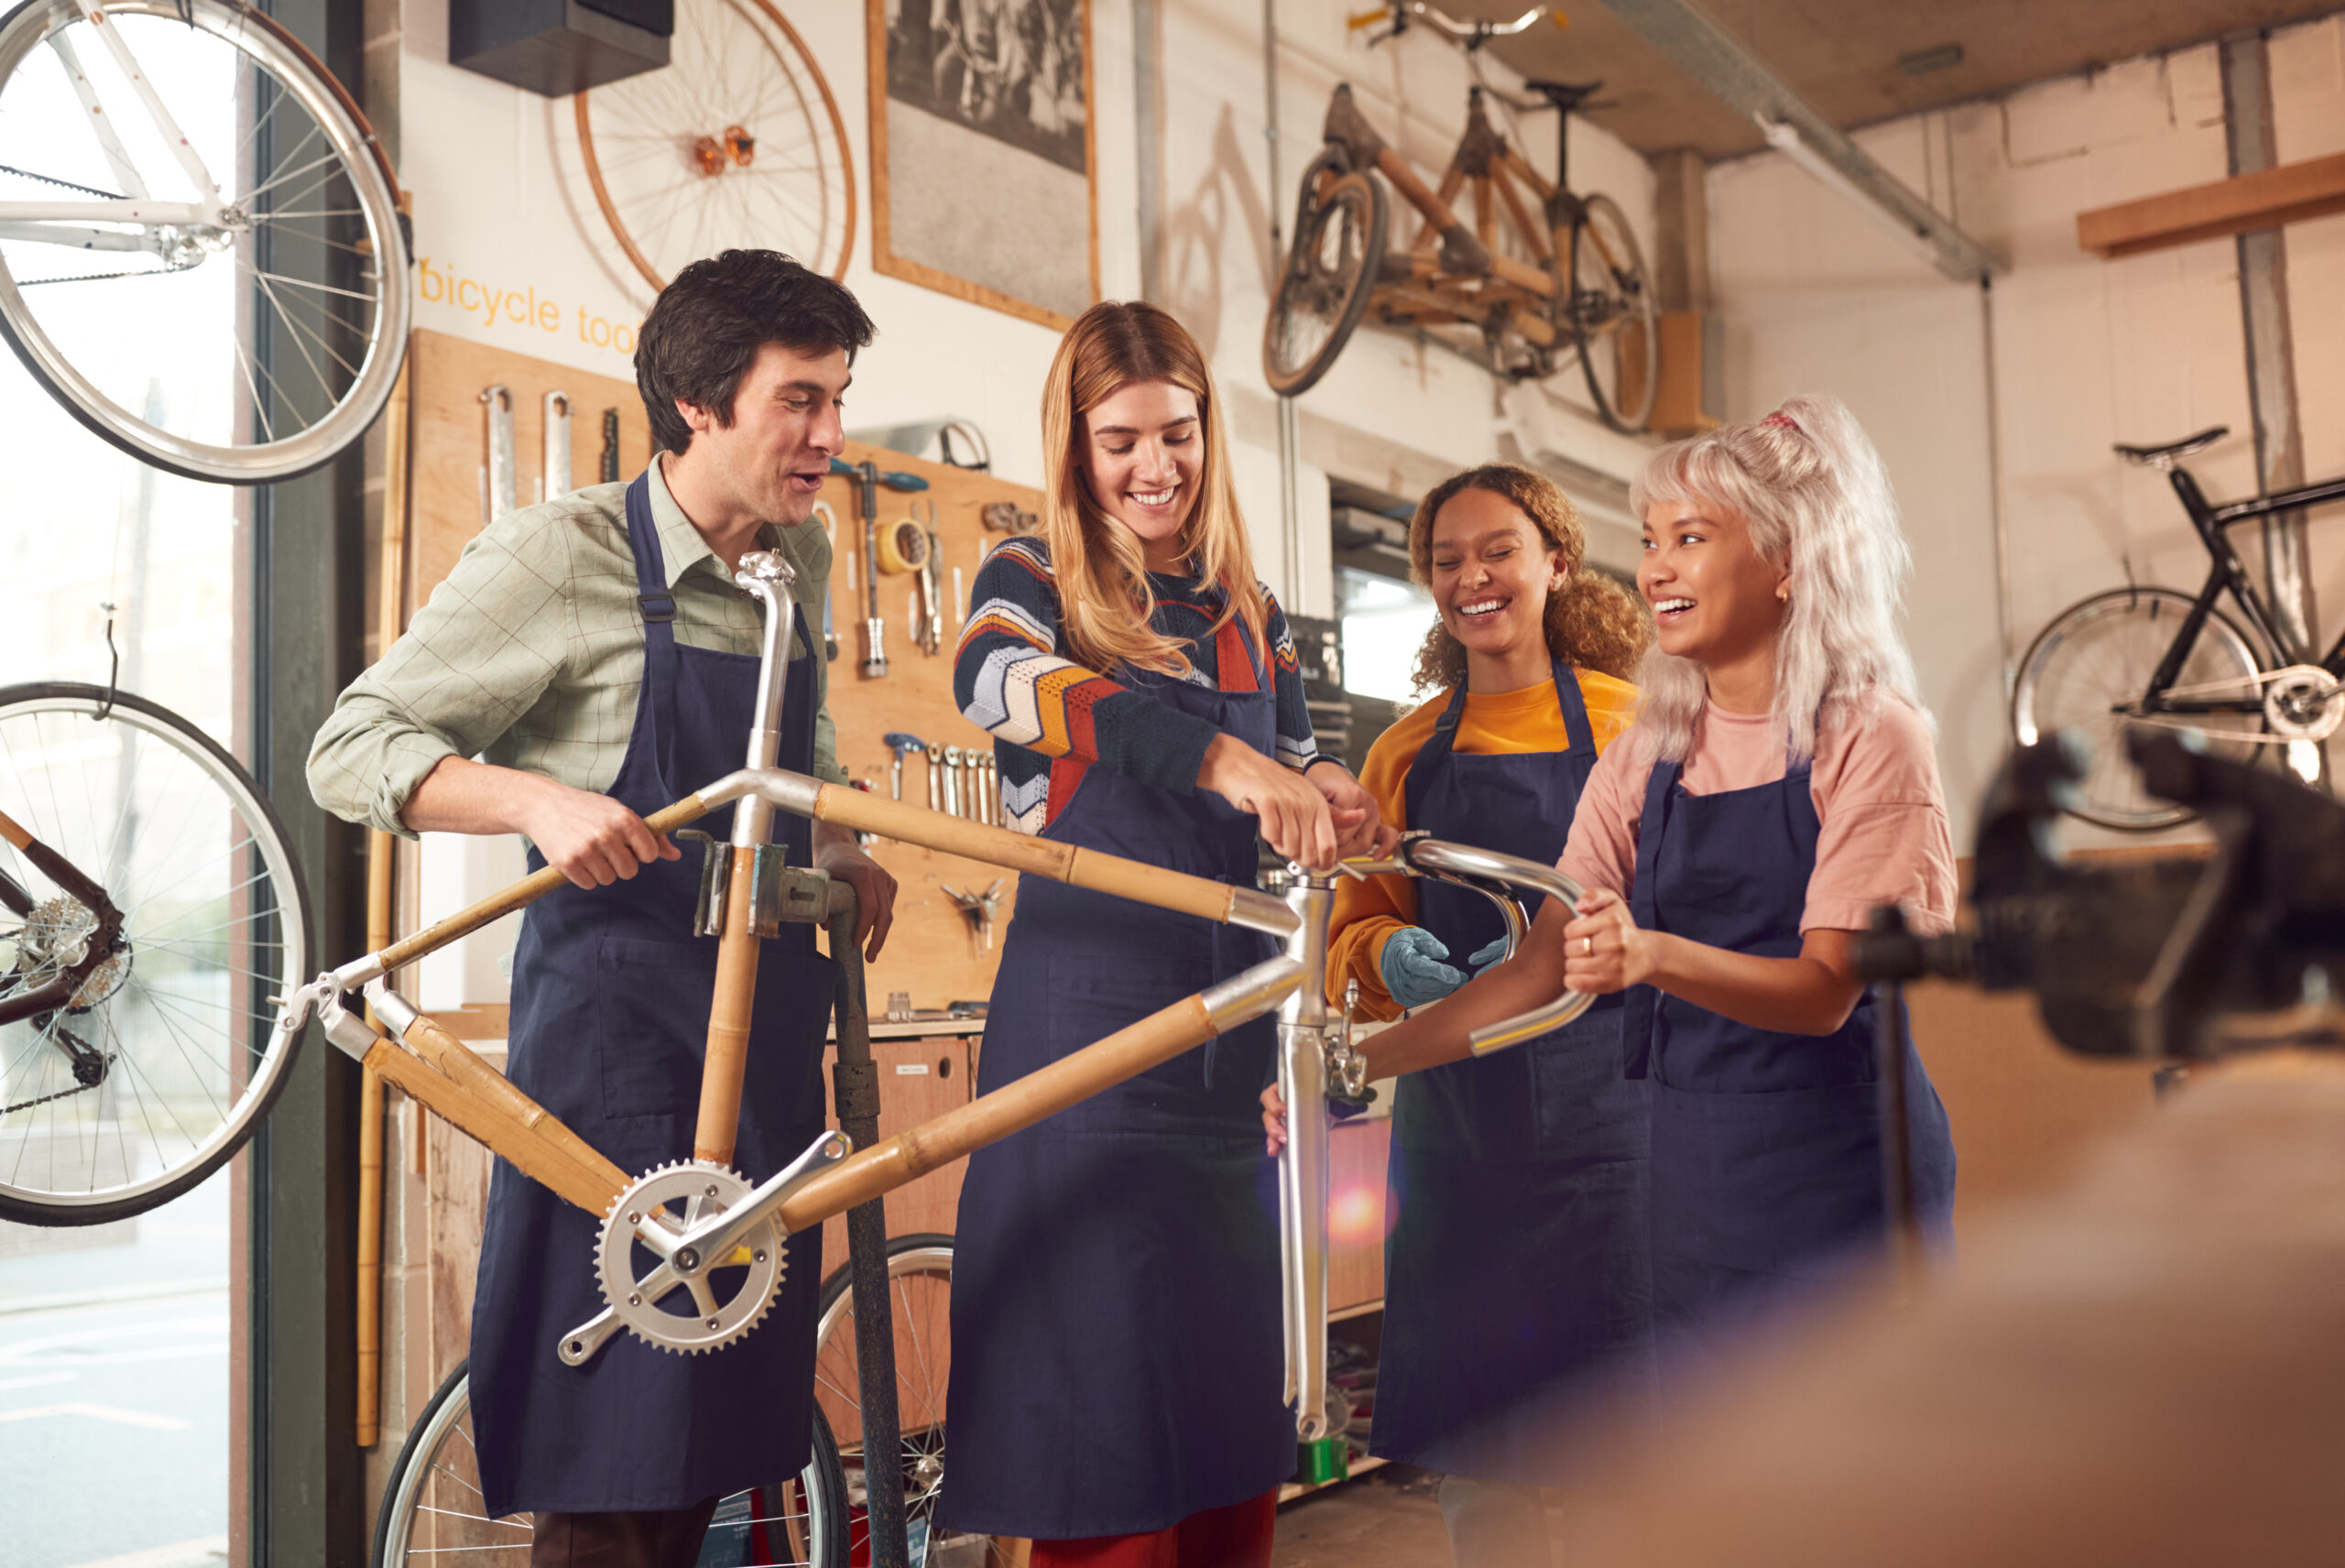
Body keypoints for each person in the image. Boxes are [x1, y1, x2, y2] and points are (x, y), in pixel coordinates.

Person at [309, 250, 899, 1567]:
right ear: (700, 400)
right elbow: (351, 748)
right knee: (621, 1449)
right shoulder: (558, 557)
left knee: (716, 1428)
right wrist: (532, 800)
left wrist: (848, 839)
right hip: (618, 1061)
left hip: (762, 1052)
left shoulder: (795, 561)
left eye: (839, 399)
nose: (832, 437)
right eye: (802, 400)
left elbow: (806, 757)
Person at [1338, 395, 1958, 1373]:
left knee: (1854, 1499)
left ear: (1791, 561)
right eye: (1650, 538)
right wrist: (1350, 1067)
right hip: (1688, 1190)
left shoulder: (1870, 734)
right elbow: (1536, 967)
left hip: (1840, 1184)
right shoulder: (1646, 756)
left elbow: (1823, 992)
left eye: (1691, 536)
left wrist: (1647, 955)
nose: (1656, 565)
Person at [939, 299, 1391, 1566]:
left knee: (1226, 1456)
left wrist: (1331, 802)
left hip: (1228, 1078)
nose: (1156, 467)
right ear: (1075, 447)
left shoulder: (1254, 611)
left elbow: (1295, 794)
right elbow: (989, 682)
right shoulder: (1031, 585)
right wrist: (1220, 759)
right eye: (1122, 439)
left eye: (1180, 434)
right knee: (1110, 1459)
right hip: (1086, 1068)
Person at [1294, 464, 1653, 1566]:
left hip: (1619, 1126)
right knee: (1480, 1447)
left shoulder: (1634, 720)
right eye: (1445, 561)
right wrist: (1389, 959)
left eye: (1496, 549)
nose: (1471, 578)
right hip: (1462, 1136)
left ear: (1554, 559)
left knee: (1626, 1437)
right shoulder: (1404, 750)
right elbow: (1348, 937)